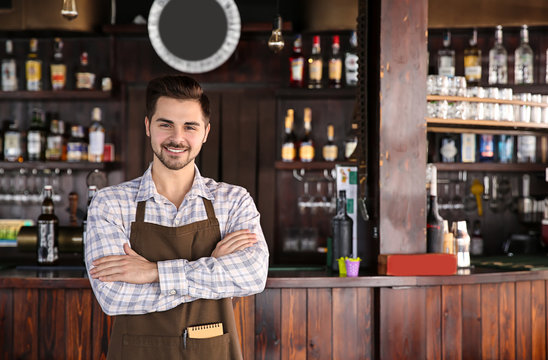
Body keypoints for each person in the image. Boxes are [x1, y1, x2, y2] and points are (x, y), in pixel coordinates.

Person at [85, 75, 269, 360]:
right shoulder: (110, 204)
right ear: (148, 126)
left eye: (190, 127)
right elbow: (114, 297)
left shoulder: (233, 201)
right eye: (165, 124)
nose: (177, 138)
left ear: (206, 132)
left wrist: (153, 272)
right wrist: (215, 269)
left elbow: (253, 277)